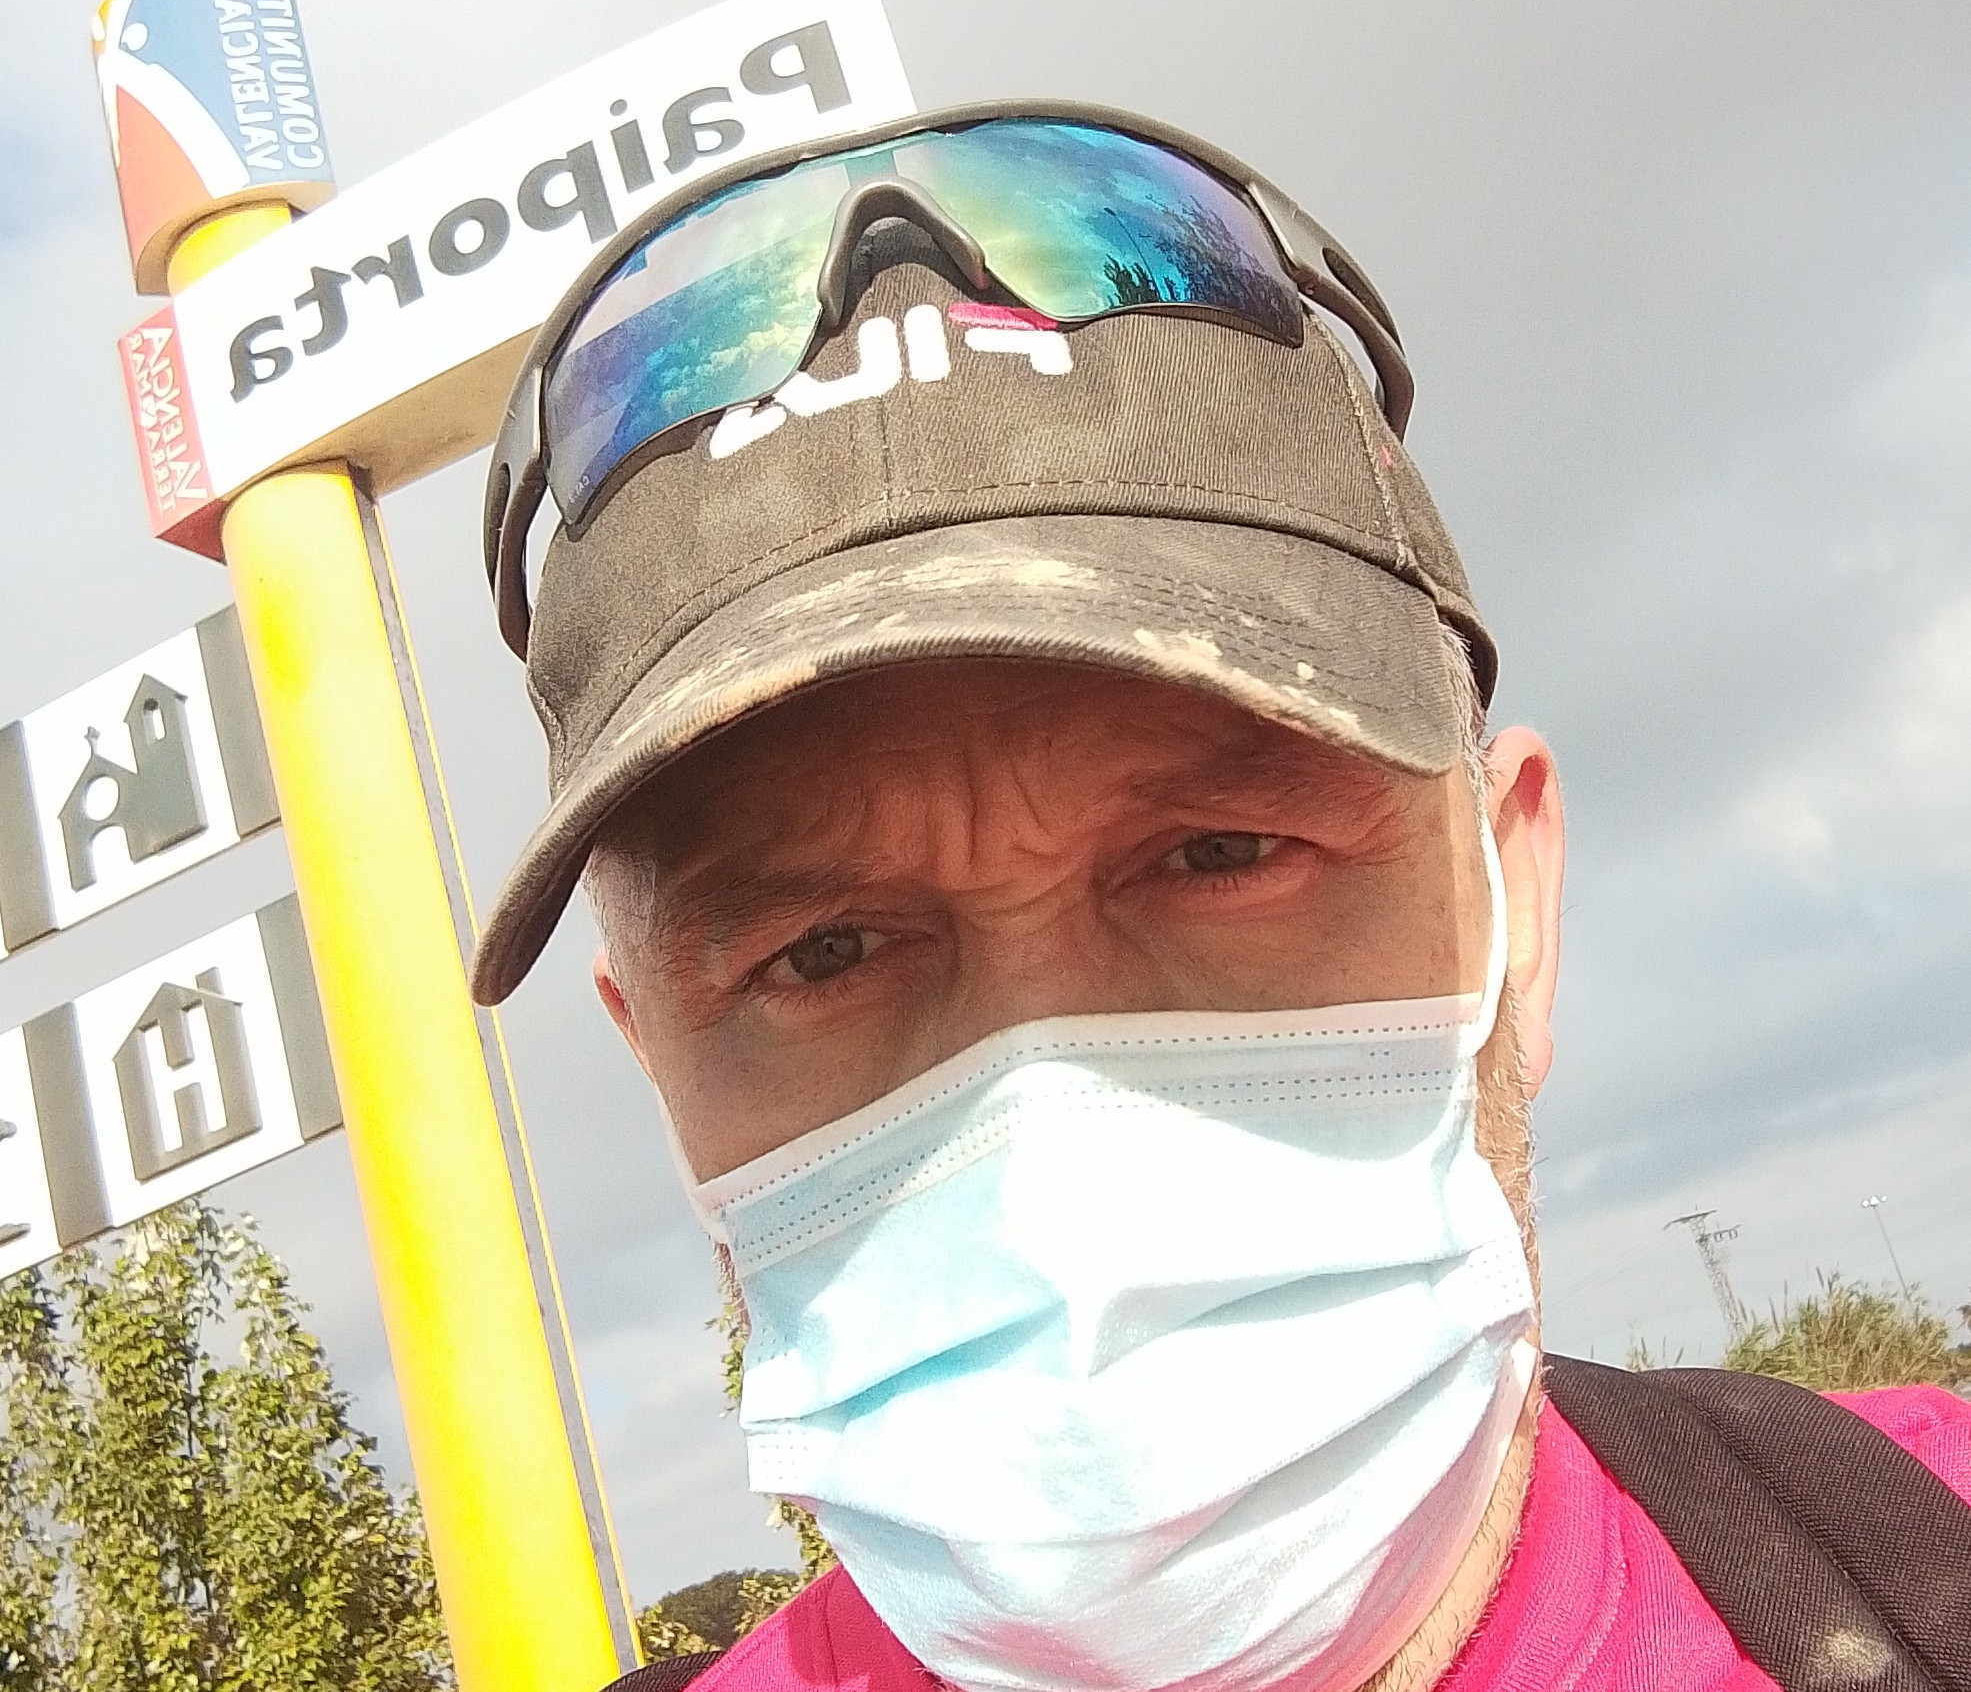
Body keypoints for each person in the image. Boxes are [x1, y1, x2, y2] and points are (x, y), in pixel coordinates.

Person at [472, 108, 1971, 1692]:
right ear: (660, 1066)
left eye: (1220, 854)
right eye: (823, 952)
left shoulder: (1917, 1569)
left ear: (1513, 907)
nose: (1060, 1197)